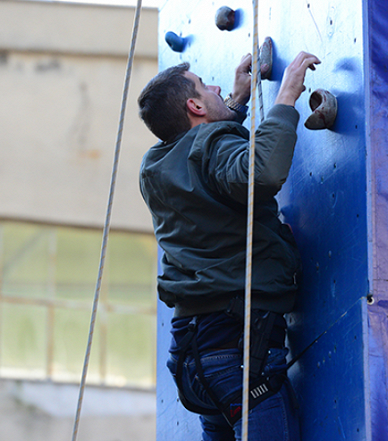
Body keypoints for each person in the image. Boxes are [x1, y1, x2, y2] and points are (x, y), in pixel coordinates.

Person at [138, 51, 320, 441]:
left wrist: (235, 104)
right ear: (195, 105)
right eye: (206, 86)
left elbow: (206, 164)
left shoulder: (155, 167)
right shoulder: (208, 146)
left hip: (196, 361)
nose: (217, 86)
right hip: (237, 356)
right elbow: (259, 172)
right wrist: (285, 98)